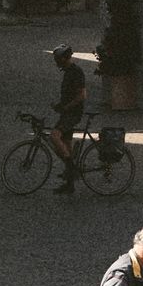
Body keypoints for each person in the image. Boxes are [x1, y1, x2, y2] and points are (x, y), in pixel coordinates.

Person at [49, 44, 86, 194]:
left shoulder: (76, 72)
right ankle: (70, 184)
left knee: (54, 136)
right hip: (67, 112)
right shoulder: (68, 72)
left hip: (73, 113)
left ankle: (71, 167)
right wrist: (60, 105)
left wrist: (66, 107)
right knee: (66, 145)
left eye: (58, 59)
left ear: (65, 58)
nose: (56, 62)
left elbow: (82, 95)